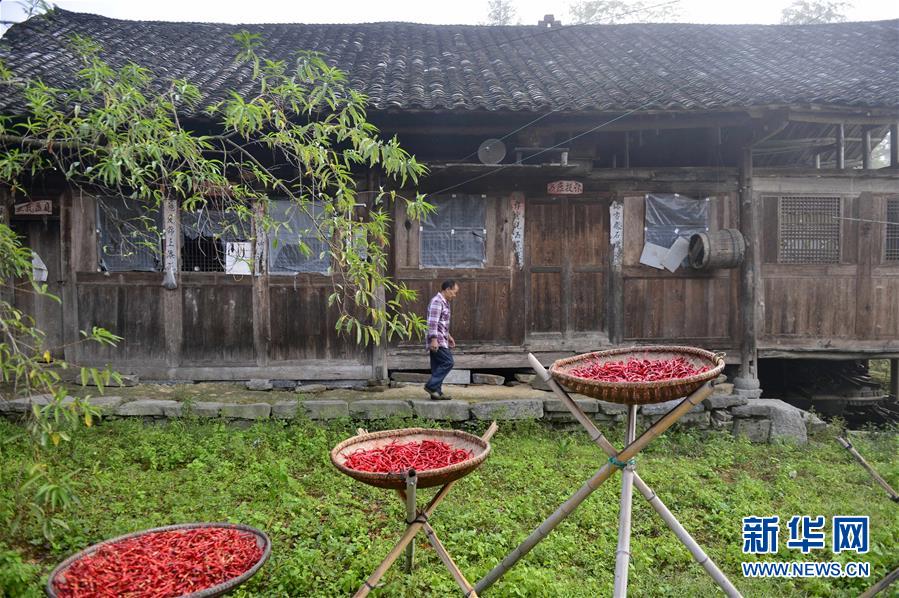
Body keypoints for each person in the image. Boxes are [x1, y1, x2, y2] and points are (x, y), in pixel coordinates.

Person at [424, 280, 459, 400]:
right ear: (448, 289)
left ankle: (436, 393)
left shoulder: (445, 302)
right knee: (448, 362)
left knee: (437, 366)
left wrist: (449, 336)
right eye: (454, 292)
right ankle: (431, 386)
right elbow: (432, 322)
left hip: (441, 338)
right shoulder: (437, 301)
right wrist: (433, 339)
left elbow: (441, 322)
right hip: (437, 340)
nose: (454, 295)